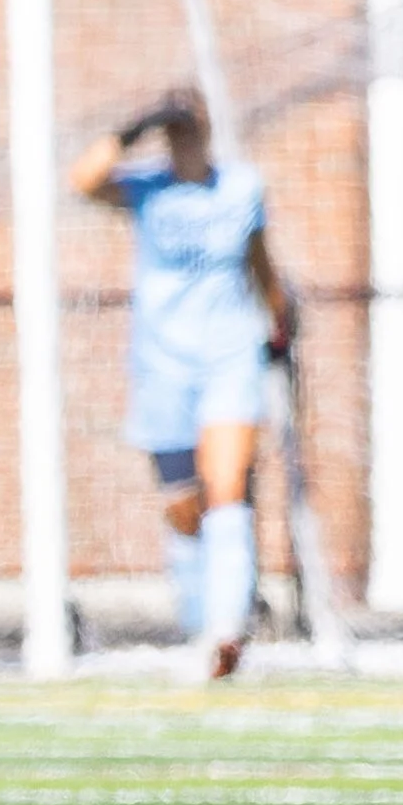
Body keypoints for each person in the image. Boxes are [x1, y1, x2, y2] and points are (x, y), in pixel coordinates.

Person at [68, 90, 292, 680]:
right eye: (174, 130)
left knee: (227, 490)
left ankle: (228, 630)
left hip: (229, 356)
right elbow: (84, 179)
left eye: (191, 128)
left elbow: (258, 258)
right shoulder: (147, 190)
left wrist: (278, 311)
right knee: (184, 506)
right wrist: (133, 126)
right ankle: (199, 619)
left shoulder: (241, 188)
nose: (184, 140)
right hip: (162, 365)